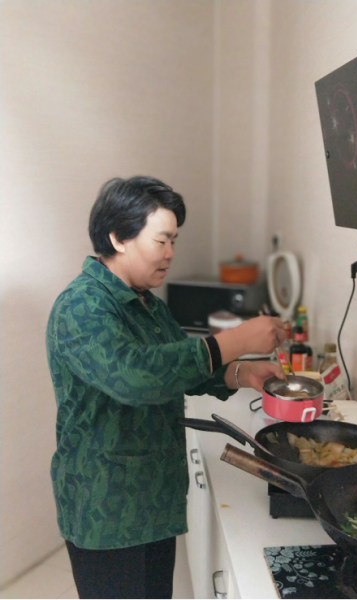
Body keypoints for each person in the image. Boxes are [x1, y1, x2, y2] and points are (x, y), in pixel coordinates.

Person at [46, 175, 285, 600]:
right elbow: (134, 377)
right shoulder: (82, 305)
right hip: (106, 508)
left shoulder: (148, 304)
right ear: (118, 238)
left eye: (174, 240)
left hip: (152, 499)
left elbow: (176, 365)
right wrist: (233, 341)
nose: (171, 253)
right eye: (161, 241)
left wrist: (240, 373)